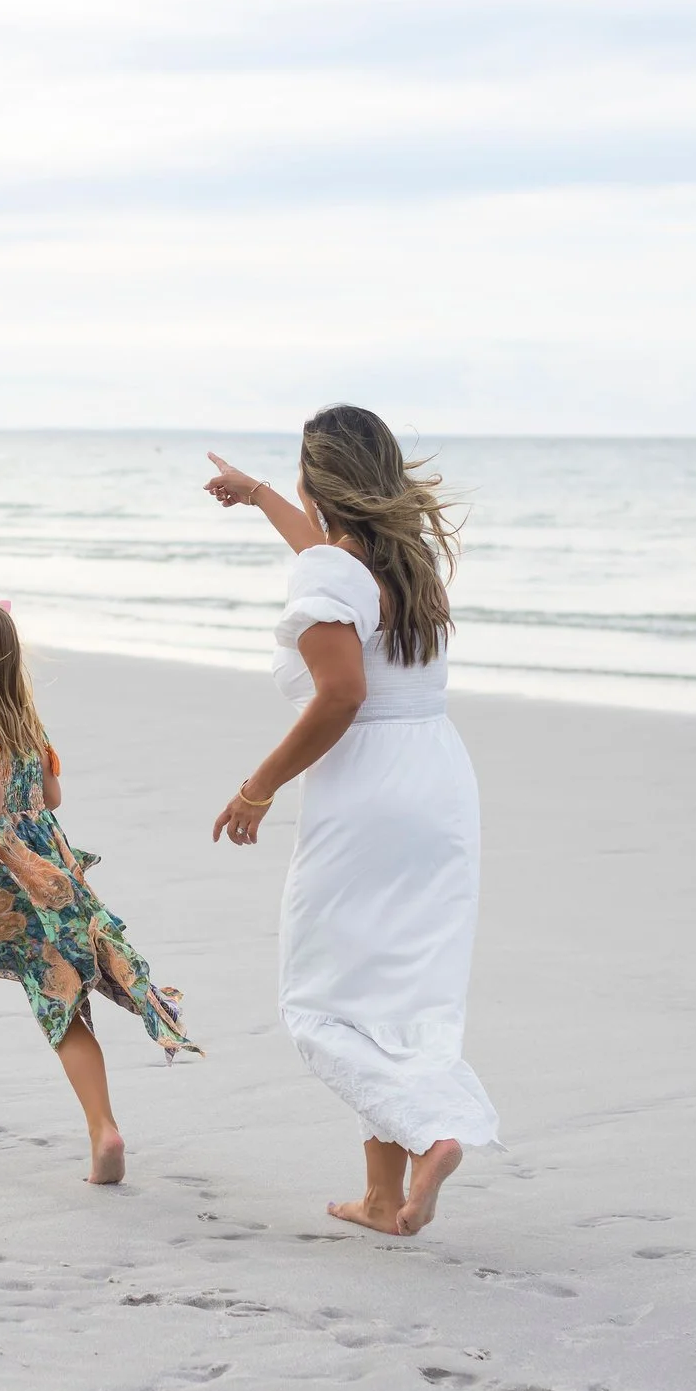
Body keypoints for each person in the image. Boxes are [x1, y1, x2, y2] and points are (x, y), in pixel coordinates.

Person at [203, 407, 499, 1236]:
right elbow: (326, 559)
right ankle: (382, 1195)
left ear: (319, 478)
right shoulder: (409, 560)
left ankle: (432, 1124)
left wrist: (259, 785)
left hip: (369, 787)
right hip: (437, 780)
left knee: (321, 1000)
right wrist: (260, 494)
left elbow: (341, 694)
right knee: (398, 988)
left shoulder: (336, 571)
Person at [0, 573, 201, 1184]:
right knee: (65, 1002)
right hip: (47, 878)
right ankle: (104, 1130)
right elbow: (52, 796)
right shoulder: (23, 724)